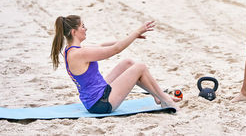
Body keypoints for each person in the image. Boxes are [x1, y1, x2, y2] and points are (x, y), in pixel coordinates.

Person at [50, 15, 180, 114]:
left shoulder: (72, 50)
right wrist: (136, 32)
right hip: (101, 103)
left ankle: (157, 96)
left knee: (128, 63)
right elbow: (114, 50)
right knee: (140, 67)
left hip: (97, 95)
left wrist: (132, 37)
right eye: (83, 26)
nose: (86, 28)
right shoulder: (79, 54)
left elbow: (102, 45)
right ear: (74, 32)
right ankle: (165, 99)